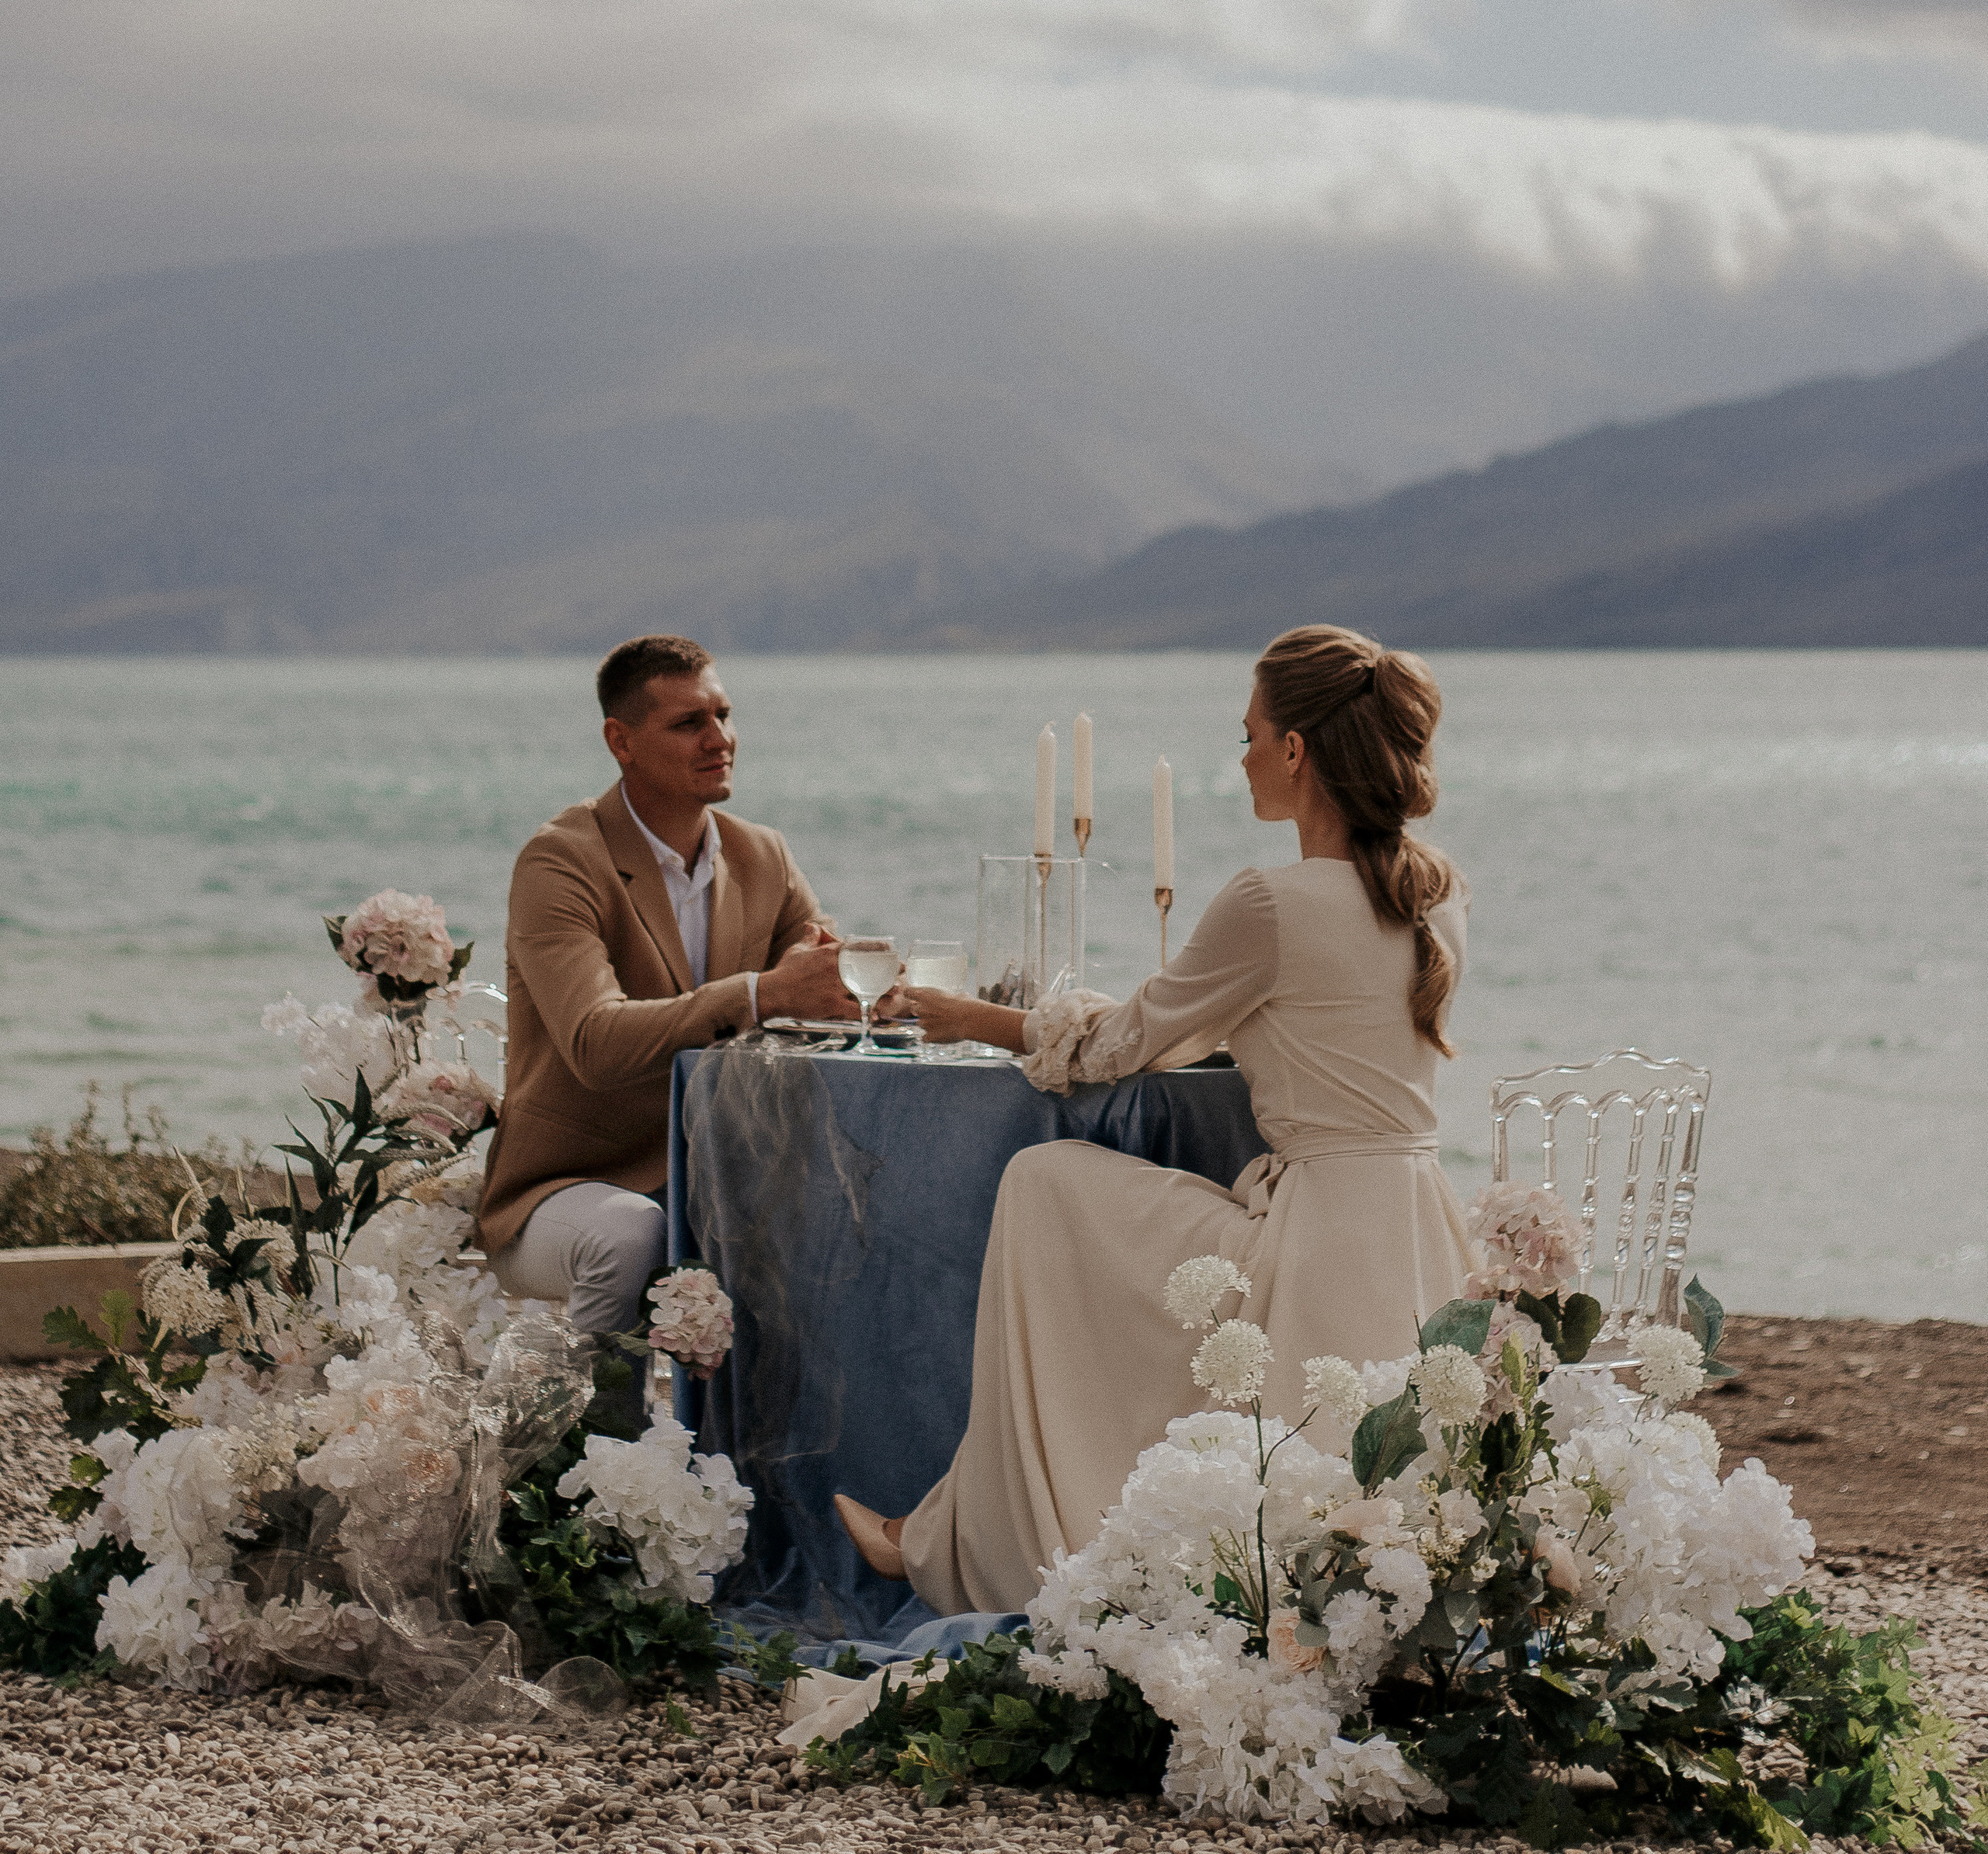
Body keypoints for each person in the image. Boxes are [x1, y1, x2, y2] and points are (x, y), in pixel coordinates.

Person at [834, 623, 1472, 1614]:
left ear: (1296, 751)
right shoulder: (1436, 894)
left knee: (1043, 1185)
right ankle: (958, 1518)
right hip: (1422, 1235)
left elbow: (1124, 1045)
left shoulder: (1270, 900)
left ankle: (980, 1537)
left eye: (1252, 733)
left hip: (1310, 1247)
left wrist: (973, 1017)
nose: (1244, 754)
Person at [478, 633, 856, 1351]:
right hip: (564, 1188)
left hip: (710, 1175)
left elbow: (816, 982)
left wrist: (835, 988)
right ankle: (590, 1448)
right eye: (689, 724)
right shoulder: (561, 861)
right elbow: (595, 1042)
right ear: (620, 741)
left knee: (849, 1212)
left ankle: (762, 1457)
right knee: (633, 1232)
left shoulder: (762, 855)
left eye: (723, 715)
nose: (720, 739)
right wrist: (759, 994)